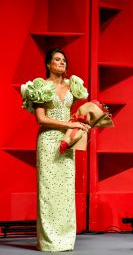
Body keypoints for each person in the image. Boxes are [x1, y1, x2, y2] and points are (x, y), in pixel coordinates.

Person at [20, 48, 89, 251]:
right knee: (49, 191)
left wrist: (83, 122)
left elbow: (73, 114)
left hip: (67, 142)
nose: (62, 63)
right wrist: (70, 125)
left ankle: (66, 239)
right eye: (57, 60)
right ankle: (49, 241)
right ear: (48, 64)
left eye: (64, 61)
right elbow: (41, 119)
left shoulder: (72, 86)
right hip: (48, 141)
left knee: (66, 191)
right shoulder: (41, 87)